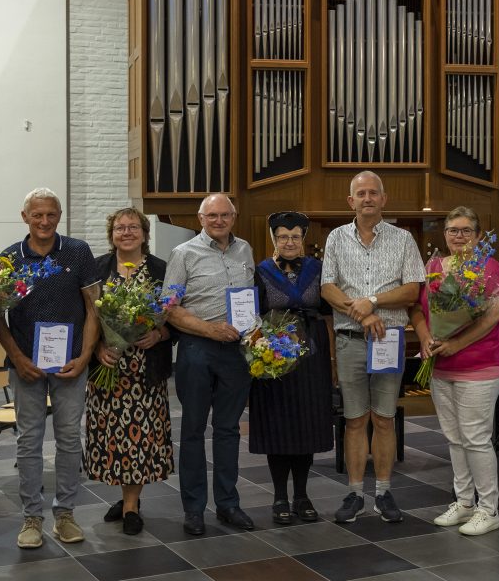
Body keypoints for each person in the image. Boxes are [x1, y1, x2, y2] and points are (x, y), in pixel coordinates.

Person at [0, 188, 103, 549]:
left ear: (59, 216)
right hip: (26, 367)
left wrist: (85, 356)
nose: (44, 222)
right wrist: (18, 357)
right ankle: (32, 518)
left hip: (71, 363)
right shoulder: (9, 259)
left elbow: (94, 307)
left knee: (70, 439)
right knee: (28, 441)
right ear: (25, 217)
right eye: (37, 215)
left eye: (51, 215)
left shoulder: (78, 251)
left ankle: (66, 514)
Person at [322, 171, 425, 524]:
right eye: (360, 193)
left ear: (384, 199)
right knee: (354, 420)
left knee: (383, 419)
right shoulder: (336, 238)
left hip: (389, 341)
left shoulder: (403, 239)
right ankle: (354, 494)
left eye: (373, 193)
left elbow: (412, 290)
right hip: (351, 340)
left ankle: (383, 492)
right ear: (351, 201)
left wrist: (372, 300)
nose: (367, 198)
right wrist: (363, 314)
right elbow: (328, 288)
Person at [409, 206, 499, 536]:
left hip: (479, 364)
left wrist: (457, 343)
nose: (459, 236)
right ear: (445, 234)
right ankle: (465, 502)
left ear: (478, 236)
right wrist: (425, 338)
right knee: (454, 438)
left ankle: (488, 508)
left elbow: (492, 315)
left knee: (476, 439)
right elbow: (420, 309)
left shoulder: (487, 268)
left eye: (467, 231)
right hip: (441, 365)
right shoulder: (435, 266)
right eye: (453, 230)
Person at [165, 194, 257, 535]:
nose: (219, 221)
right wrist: (208, 329)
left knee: (229, 430)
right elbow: (169, 306)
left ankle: (228, 504)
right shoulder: (183, 254)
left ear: (234, 217)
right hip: (197, 349)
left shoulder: (245, 250)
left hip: (236, 353)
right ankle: (193, 509)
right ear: (200, 219)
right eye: (212, 215)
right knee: (192, 431)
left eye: (225, 215)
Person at [87, 207, 176, 536]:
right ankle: (126, 496)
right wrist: (97, 347)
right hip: (109, 368)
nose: (126, 232)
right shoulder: (98, 269)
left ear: (144, 233)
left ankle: (130, 504)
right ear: (111, 235)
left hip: (144, 371)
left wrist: (161, 334)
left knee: (139, 437)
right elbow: (87, 317)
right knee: (113, 438)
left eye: (133, 227)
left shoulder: (161, 270)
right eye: (120, 228)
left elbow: (177, 316)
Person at [249, 211, 334, 524]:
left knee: (306, 424)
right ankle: (279, 496)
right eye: (283, 237)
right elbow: (252, 315)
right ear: (274, 239)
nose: (289, 242)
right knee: (279, 425)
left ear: (303, 239)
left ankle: (302, 494)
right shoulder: (261, 271)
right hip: (274, 354)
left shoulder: (318, 269)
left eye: (295, 236)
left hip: (311, 353)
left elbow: (327, 306)